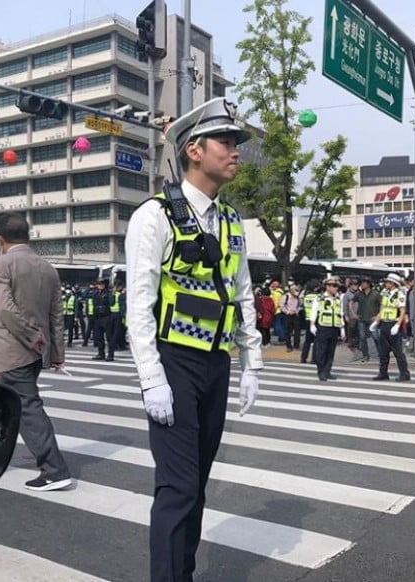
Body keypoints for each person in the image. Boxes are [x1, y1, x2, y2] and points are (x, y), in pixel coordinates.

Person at [125, 97, 262, 582]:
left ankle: (181, 573)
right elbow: (138, 304)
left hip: (216, 364)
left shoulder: (231, 220)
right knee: (178, 487)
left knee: (197, 485)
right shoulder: (155, 215)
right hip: (174, 364)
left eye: (235, 143)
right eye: (226, 142)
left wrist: (252, 364)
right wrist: (151, 379)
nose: (235, 152)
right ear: (194, 150)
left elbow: (242, 291)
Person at [0, 212, 71, 491]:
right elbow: (57, 314)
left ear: (0, 239)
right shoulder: (47, 268)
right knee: (10, 404)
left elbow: (5, 309)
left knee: (26, 408)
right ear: (28, 236)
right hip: (36, 352)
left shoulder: (0, 265)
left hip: (12, 349)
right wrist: (56, 353)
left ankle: (54, 469)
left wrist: (31, 336)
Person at [371, 273, 411, 382]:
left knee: (398, 352)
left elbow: (403, 312)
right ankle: (383, 373)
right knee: (383, 352)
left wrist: (397, 325)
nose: (385, 284)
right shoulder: (385, 293)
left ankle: (404, 373)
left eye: (388, 282)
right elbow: (382, 309)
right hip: (384, 324)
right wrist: (376, 322)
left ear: (393, 283)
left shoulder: (400, 295)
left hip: (393, 325)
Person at [310, 277, 345, 381]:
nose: (336, 288)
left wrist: (342, 328)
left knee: (331, 351)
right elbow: (314, 311)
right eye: (334, 286)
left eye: (336, 286)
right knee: (322, 351)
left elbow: (340, 313)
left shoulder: (337, 299)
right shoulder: (320, 298)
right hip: (323, 327)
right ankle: (321, 372)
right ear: (327, 286)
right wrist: (312, 324)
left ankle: (327, 371)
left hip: (334, 328)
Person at [351, 277, 381, 362]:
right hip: (361, 319)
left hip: (372, 319)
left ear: (368, 284)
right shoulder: (359, 294)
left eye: (364, 283)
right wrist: (353, 314)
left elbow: (382, 305)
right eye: (361, 283)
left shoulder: (375, 294)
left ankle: (381, 353)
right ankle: (365, 355)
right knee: (362, 338)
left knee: (376, 337)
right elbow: (351, 302)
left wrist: (378, 315)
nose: (362, 285)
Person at [91, 278, 112, 360]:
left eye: (101, 284)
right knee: (99, 337)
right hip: (97, 317)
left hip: (106, 317)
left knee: (109, 337)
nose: (100, 285)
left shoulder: (108, 293)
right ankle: (101, 354)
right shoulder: (95, 294)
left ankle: (110, 355)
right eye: (99, 284)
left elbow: (110, 304)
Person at [300, 280, 320, 364]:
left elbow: (304, 307)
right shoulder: (318, 297)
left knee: (307, 340)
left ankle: (303, 358)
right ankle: (314, 359)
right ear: (315, 288)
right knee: (316, 340)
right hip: (316, 319)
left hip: (307, 319)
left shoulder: (306, 297)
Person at [280, 284, 301, 352]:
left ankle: (296, 345)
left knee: (297, 331)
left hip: (295, 315)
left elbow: (299, 306)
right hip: (287, 316)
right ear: (291, 291)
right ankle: (288, 346)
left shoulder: (298, 298)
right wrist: (287, 312)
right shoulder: (285, 297)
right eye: (295, 290)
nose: (296, 292)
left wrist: (296, 311)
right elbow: (282, 306)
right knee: (288, 332)